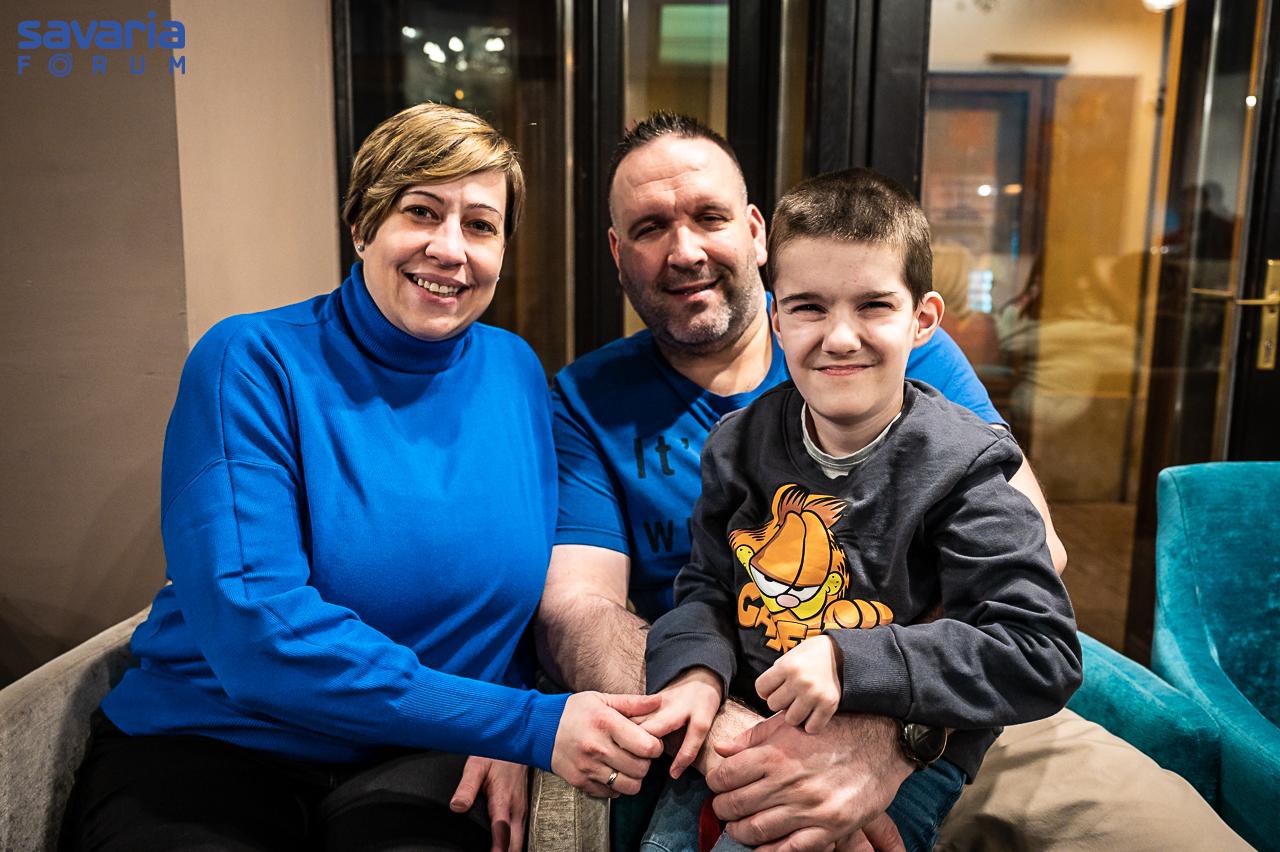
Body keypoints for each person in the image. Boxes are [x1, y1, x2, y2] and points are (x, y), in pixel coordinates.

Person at [535, 111, 1247, 852]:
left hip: (952, 716)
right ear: (617, 251)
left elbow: (1035, 572)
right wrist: (714, 710)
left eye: (708, 217)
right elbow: (591, 607)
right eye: (650, 228)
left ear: (753, 231)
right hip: (741, 716)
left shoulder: (897, 352)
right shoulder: (620, 409)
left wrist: (888, 728)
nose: (684, 250)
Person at [60, 103, 662, 852]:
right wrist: (522, 724)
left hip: (420, 753)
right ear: (361, 225)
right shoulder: (250, 361)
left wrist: (505, 715)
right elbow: (256, 633)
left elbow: (511, 599)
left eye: (480, 225)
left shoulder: (515, 372)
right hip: (217, 742)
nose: (450, 249)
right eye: (421, 212)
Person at [640, 168, 1082, 851]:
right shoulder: (737, 445)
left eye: (874, 305)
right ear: (776, 318)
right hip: (754, 722)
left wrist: (850, 660)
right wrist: (695, 666)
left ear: (923, 320)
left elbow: (1039, 650)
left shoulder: (966, 462)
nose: (840, 337)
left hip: (912, 744)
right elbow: (706, 587)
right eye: (809, 308)